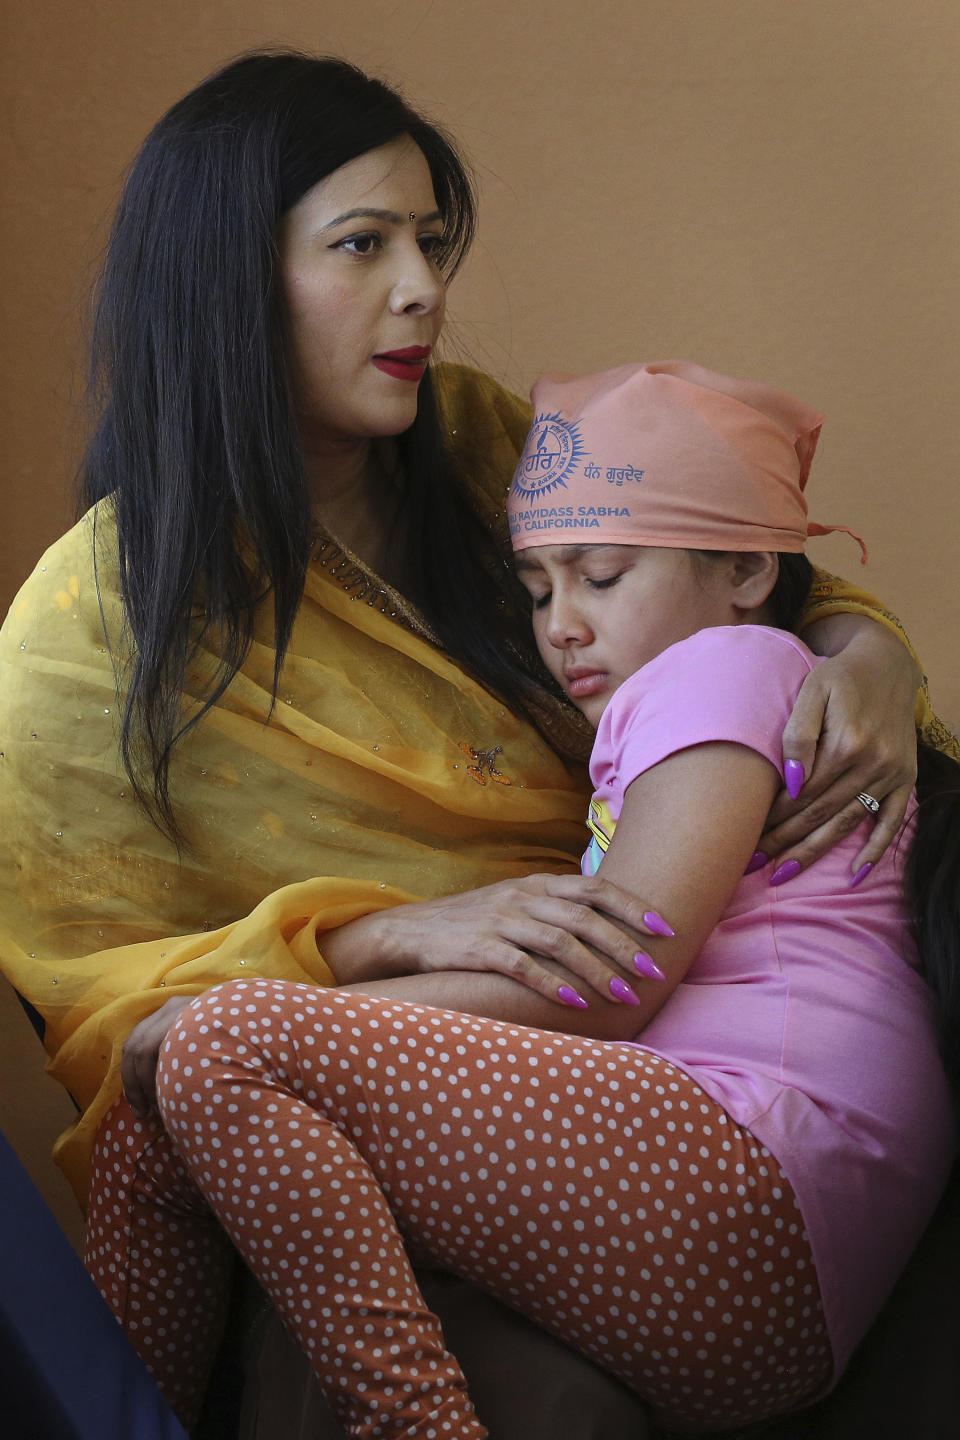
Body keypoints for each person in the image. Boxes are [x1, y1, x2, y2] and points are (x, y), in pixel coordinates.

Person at [0, 49, 955, 1435]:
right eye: (363, 244)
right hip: (390, 1080)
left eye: (431, 244)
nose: (424, 289)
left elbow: (728, 578)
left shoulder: (481, 443)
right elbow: (97, 993)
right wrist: (381, 938)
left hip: (626, 1034)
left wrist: (871, 657)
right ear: (225, 278)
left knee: (218, 1067)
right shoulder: (84, 630)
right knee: (181, 1077)